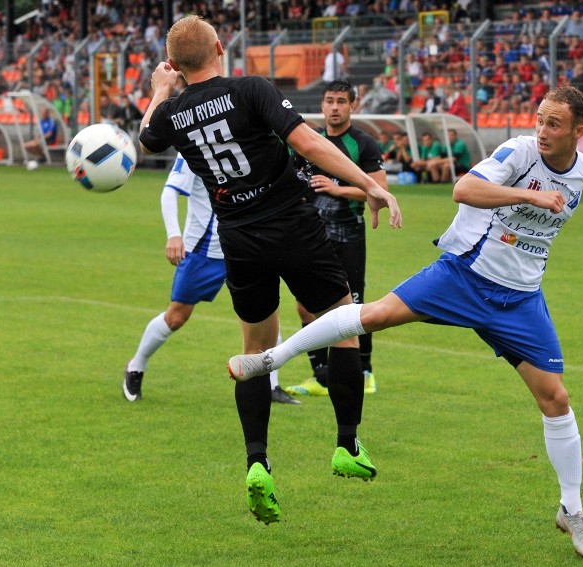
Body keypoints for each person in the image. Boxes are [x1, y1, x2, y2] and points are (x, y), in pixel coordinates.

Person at [228, 86, 583, 560]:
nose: (542, 131)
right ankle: (271, 358)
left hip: (520, 299)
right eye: (540, 119)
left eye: (554, 124)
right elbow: (463, 189)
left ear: (579, 130)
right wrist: (529, 196)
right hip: (464, 275)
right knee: (374, 315)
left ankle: (571, 509)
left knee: (556, 398)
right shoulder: (520, 152)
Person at [138, 16, 401, 526]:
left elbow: (147, 137)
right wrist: (369, 184)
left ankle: (258, 462)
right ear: (221, 45)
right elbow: (309, 144)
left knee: (254, 349)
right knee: (345, 324)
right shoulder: (249, 89)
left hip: (238, 237)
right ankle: (346, 443)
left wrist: (159, 89)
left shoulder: (172, 114)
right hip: (293, 225)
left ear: (174, 64)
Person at [123, 154, 300, 405]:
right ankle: (136, 366)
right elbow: (169, 192)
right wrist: (174, 235)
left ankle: (271, 386)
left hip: (246, 246)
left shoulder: (247, 142)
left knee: (266, 312)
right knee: (176, 316)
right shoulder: (191, 148)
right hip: (203, 252)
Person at [286, 79, 388, 397]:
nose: (334, 107)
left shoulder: (363, 144)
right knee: (305, 306)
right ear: (322, 104)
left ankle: (366, 371)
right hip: (311, 237)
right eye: (329, 100)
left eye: (341, 101)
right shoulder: (308, 141)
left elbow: (379, 193)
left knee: (353, 309)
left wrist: (337, 188)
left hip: (349, 237)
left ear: (352, 106)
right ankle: (320, 376)